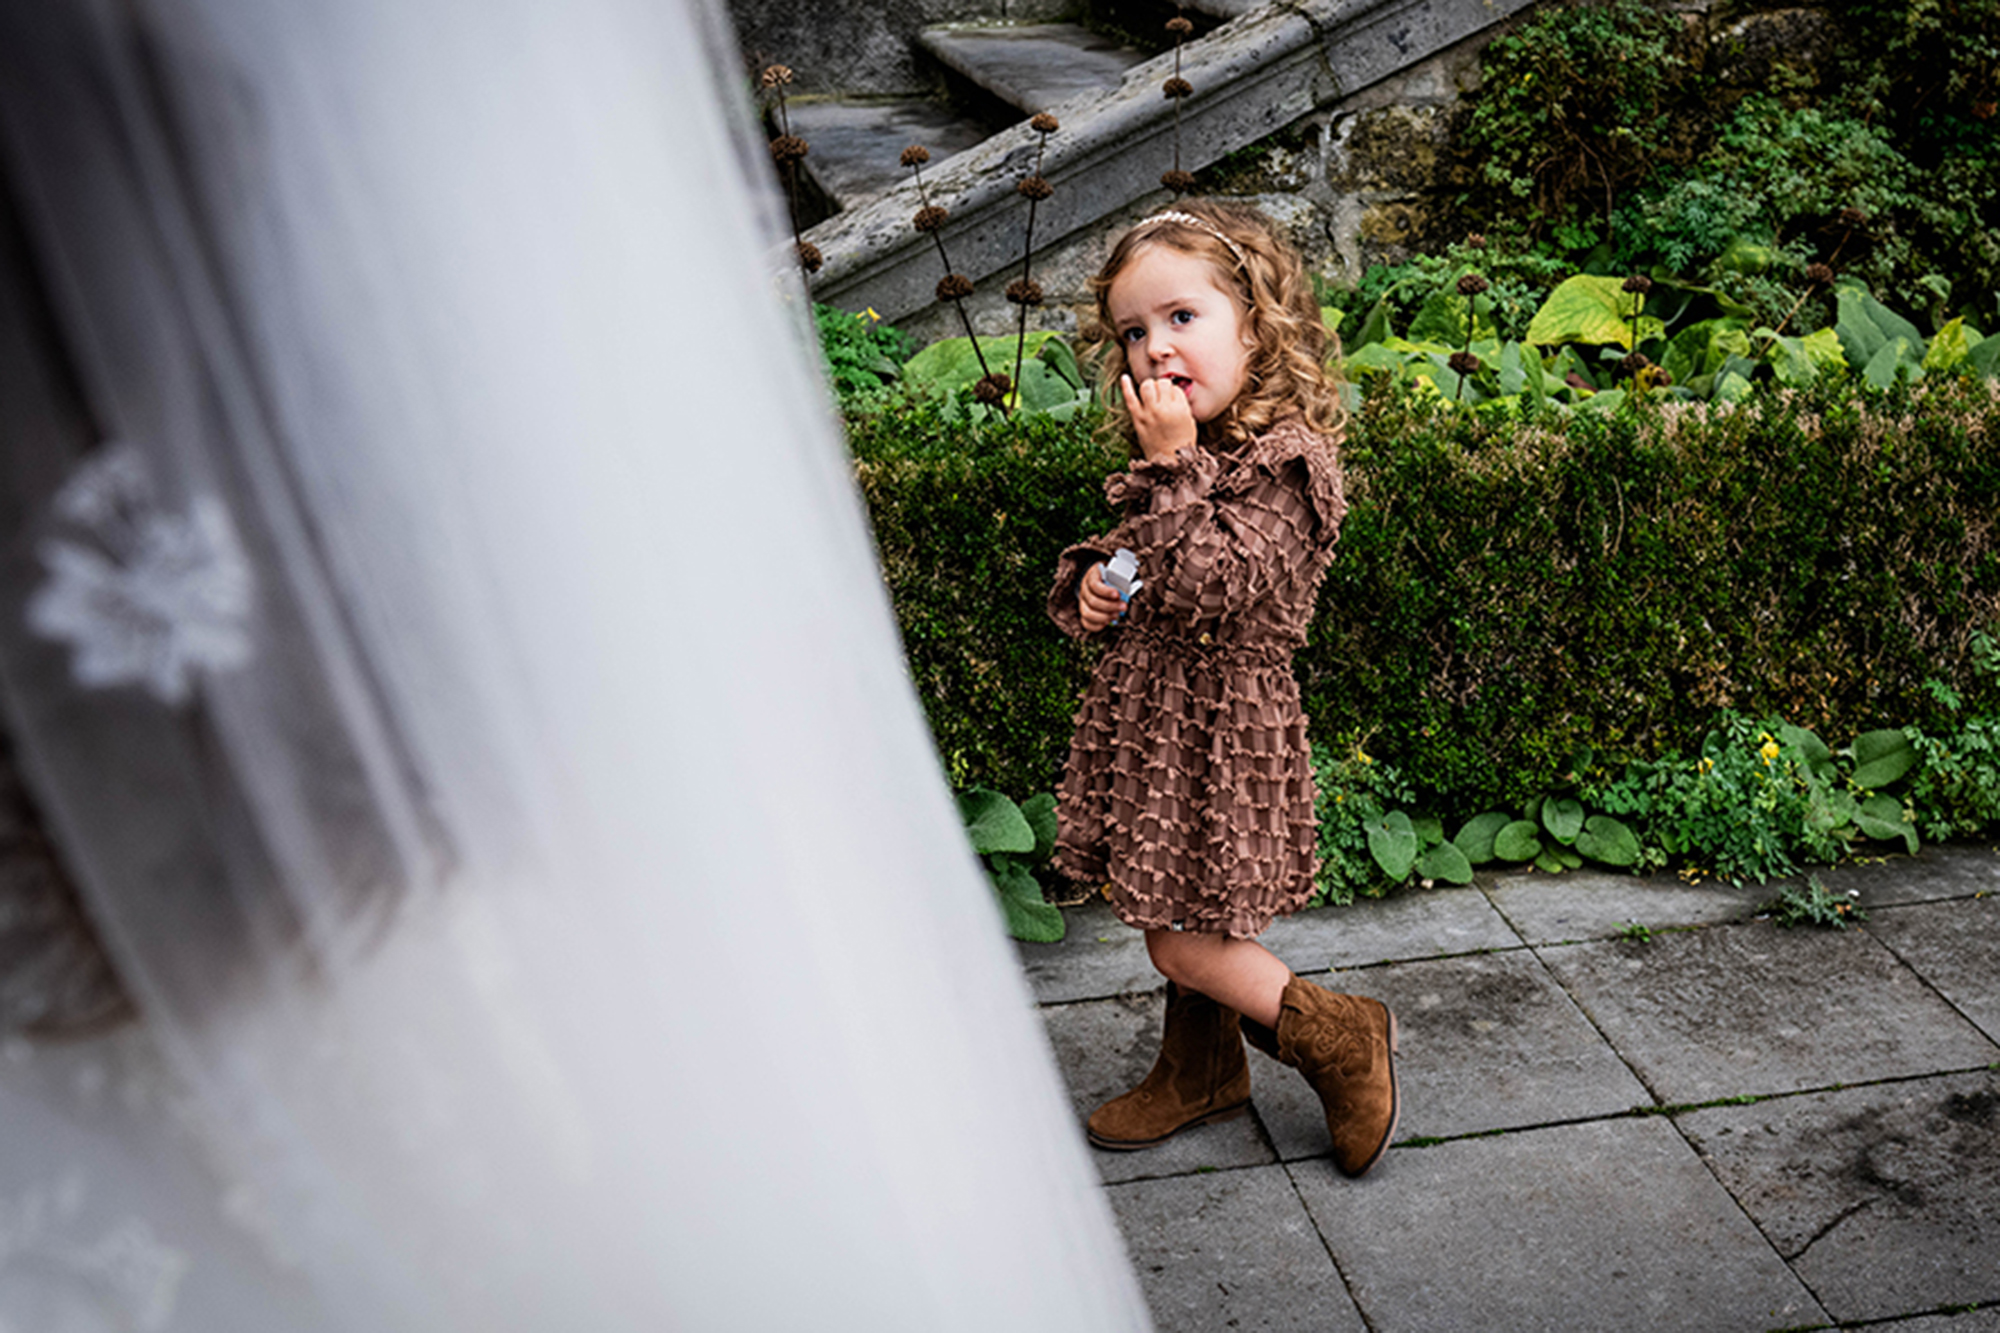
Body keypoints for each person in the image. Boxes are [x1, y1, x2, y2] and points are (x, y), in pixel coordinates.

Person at [1046, 200, 1398, 1178]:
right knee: (1193, 908)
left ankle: (1340, 1036)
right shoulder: (1191, 458)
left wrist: (1167, 469)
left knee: (1178, 938)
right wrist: (1094, 583)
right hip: (1160, 727)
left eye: (1179, 318)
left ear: (1257, 321)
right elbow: (1141, 557)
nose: (1152, 348)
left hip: (1225, 733)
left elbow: (1216, 576)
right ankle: (1199, 1070)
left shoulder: (1288, 468)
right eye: (1131, 330)